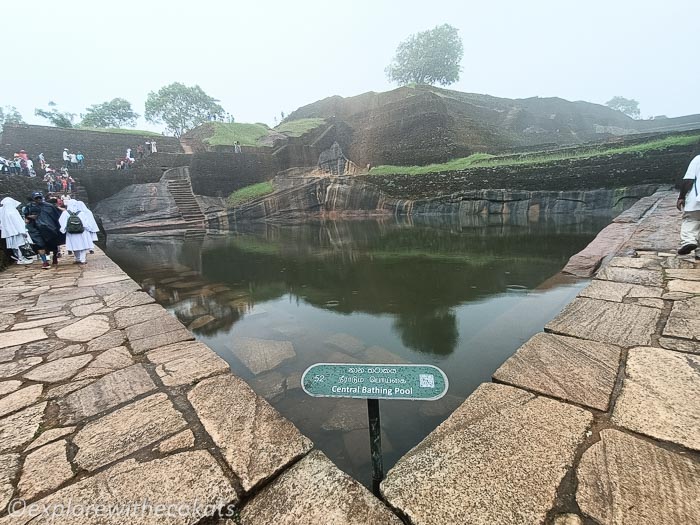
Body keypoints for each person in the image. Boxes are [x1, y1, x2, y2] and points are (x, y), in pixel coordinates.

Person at [22, 192, 63, 269]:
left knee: (53, 244)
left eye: (39, 198)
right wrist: (30, 218)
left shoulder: (49, 206)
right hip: (35, 229)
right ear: (33, 199)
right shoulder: (29, 207)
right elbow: (26, 219)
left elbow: (57, 217)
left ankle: (55, 256)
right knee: (39, 245)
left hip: (50, 229)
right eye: (36, 198)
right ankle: (45, 262)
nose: (38, 200)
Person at [677, 151, 700, 257]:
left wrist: (681, 196)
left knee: (690, 221)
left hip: (696, 200)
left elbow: (688, 180)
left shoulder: (698, 159)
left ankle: (689, 241)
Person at [59, 200, 95, 264]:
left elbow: (61, 221)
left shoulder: (65, 213)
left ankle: (77, 258)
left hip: (71, 232)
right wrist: (88, 229)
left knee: (74, 246)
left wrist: (63, 230)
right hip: (82, 232)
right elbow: (85, 223)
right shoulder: (81, 213)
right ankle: (83, 259)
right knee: (83, 246)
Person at [0, 197, 34, 265]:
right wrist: (22, 231)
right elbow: (17, 223)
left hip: (10, 232)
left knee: (15, 246)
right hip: (17, 232)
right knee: (20, 245)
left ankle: (19, 257)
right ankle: (21, 258)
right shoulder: (13, 212)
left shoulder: (3, 212)